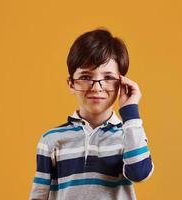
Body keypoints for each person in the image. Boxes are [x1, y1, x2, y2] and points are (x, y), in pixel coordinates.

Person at [29, 28, 154, 200]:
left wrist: (130, 111)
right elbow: (39, 195)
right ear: (71, 84)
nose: (96, 88)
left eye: (108, 78)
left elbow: (139, 173)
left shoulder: (131, 134)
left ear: (121, 84)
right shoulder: (51, 140)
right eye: (86, 77)